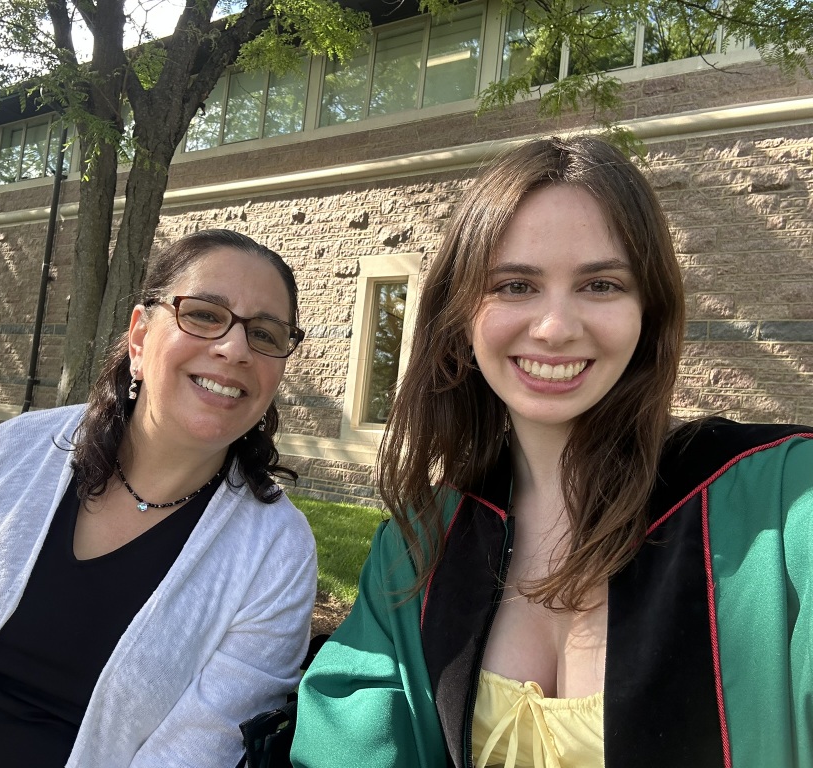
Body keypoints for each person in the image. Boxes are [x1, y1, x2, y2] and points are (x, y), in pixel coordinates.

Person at [291, 136, 812, 768]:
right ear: (460, 315)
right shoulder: (420, 544)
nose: (555, 328)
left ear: (648, 309)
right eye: (515, 285)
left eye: (601, 284)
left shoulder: (785, 504)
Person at [0, 229, 317, 768]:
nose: (234, 348)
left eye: (264, 333)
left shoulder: (275, 553)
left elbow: (195, 753)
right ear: (139, 337)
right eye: (203, 315)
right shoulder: (9, 453)